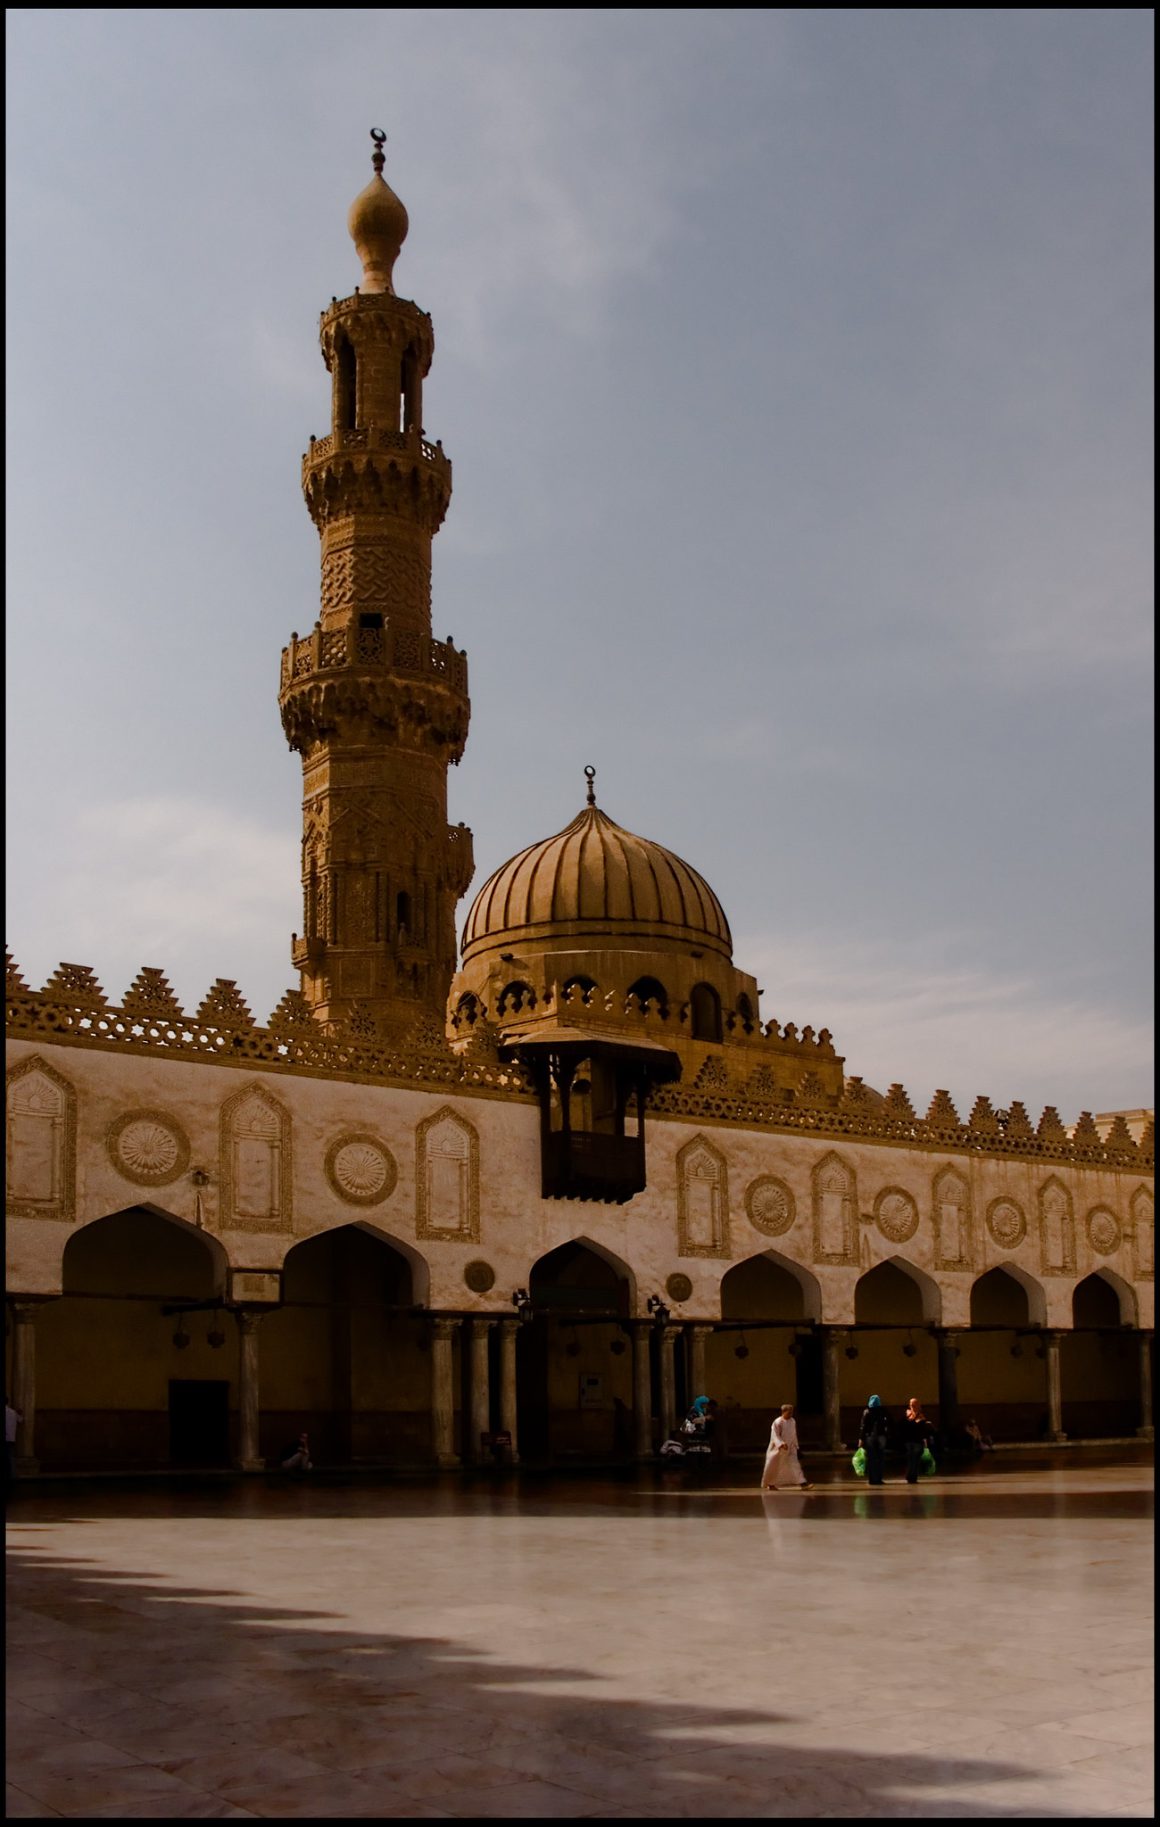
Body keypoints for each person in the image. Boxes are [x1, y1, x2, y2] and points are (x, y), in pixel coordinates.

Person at [761, 1403, 812, 1490]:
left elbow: (793, 1434)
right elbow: (774, 1435)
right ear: (783, 1412)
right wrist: (781, 1444)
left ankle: (803, 1483)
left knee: (795, 1464)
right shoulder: (777, 1422)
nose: (791, 1414)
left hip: (791, 1448)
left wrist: (796, 1446)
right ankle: (770, 1484)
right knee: (774, 1466)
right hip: (778, 1449)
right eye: (789, 1412)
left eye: (792, 1412)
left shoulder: (792, 1421)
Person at [859, 1394, 890, 1486]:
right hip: (881, 1437)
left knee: (871, 1459)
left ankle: (872, 1479)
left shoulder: (867, 1412)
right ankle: (879, 1479)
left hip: (870, 1437)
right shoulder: (883, 1411)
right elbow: (888, 1423)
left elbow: (863, 1427)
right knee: (880, 1458)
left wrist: (861, 1439)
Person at [902, 1396, 934, 1484]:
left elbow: (922, 1429)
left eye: (914, 1404)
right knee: (910, 1459)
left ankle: (913, 1477)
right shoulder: (908, 1413)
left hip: (917, 1441)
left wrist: (925, 1442)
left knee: (915, 1459)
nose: (912, 1406)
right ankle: (909, 1476)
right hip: (909, 1440)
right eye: (911, 1404)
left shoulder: (920, 1415)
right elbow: (907, 1423)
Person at [5, 1399, 21, 1490]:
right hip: (11, 1439)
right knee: (11, 1458)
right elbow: (21, 1420)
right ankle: (13, 1476)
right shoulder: (13, 1412)